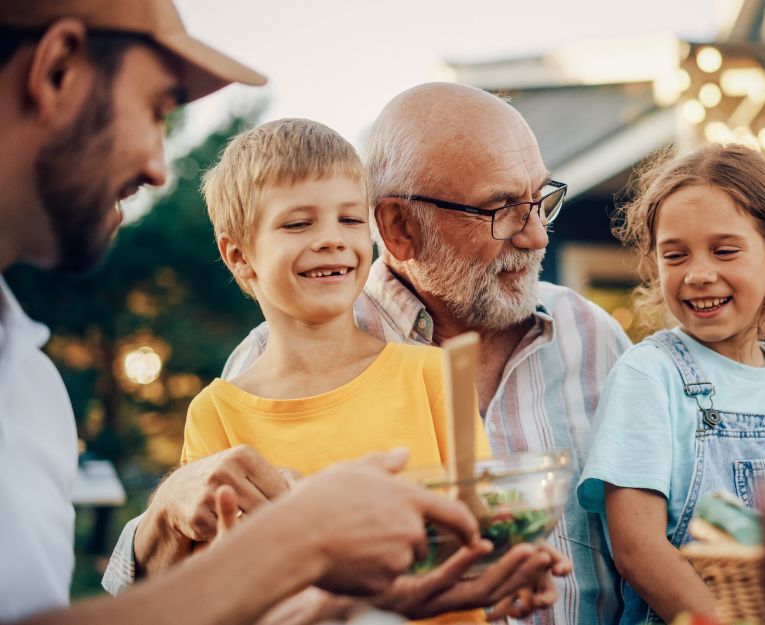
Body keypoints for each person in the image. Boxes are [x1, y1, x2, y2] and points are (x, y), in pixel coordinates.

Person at [0, 2, 485, 623]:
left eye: (348, 219)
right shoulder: (218, 411)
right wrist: (305, 548)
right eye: (154, 109)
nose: (157, 165)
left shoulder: (29, 381)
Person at [108, 82, 633, 625]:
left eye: (541, 200)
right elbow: (200, 588)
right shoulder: (237, 388)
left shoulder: (592, 335)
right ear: (398, 228)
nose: (537, 236)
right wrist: (169, 512)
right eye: (501, 208)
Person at [182, 116, 566, 623]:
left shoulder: (432, 374)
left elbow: (478, 529)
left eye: (350, 220)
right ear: (240, 257)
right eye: (299, 223)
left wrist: (512, 566)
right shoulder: (217, 413)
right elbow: (216, 587)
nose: (331, 240)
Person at [577, 144, 765, 625]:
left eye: (724, 250)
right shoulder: (650, 375)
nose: (699, 274)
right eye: (675, 255)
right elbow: (638, 549)